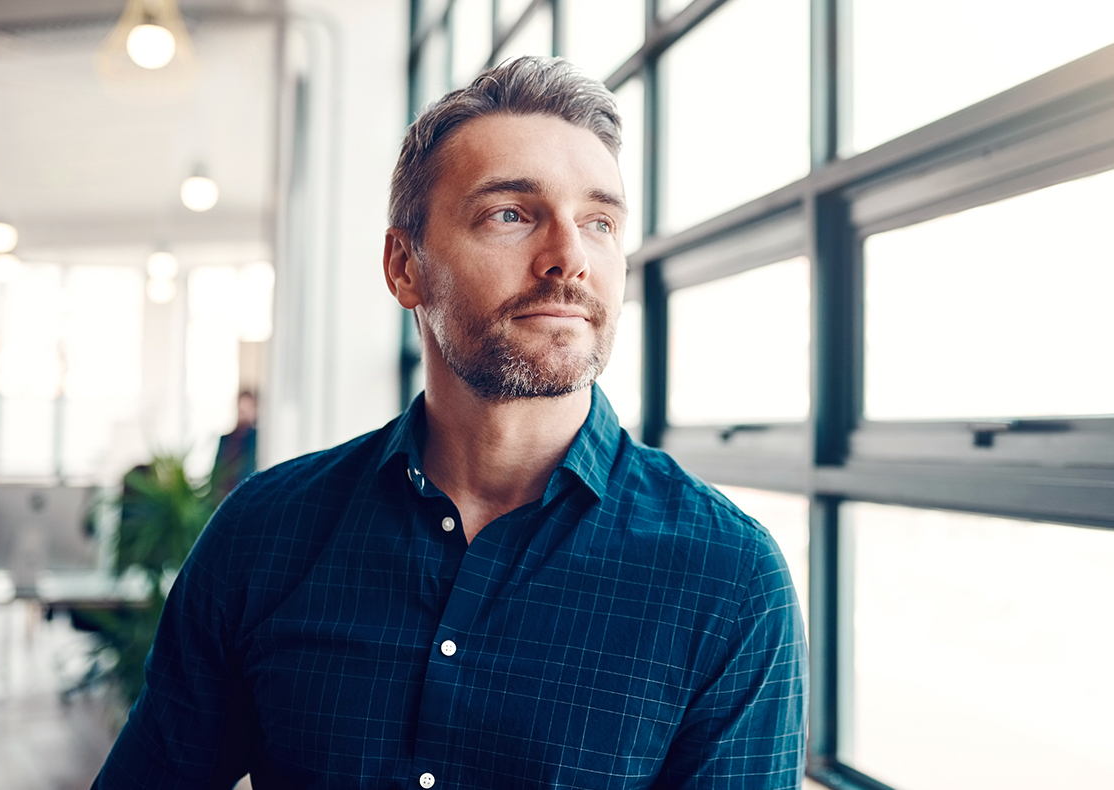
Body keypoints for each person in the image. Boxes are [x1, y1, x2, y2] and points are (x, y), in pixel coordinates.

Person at [93, 56, 804, 789]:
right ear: (405, 266)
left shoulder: (728, 581)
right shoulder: (264, 534)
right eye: (511, 214)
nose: (569, 259)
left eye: (599, 222)